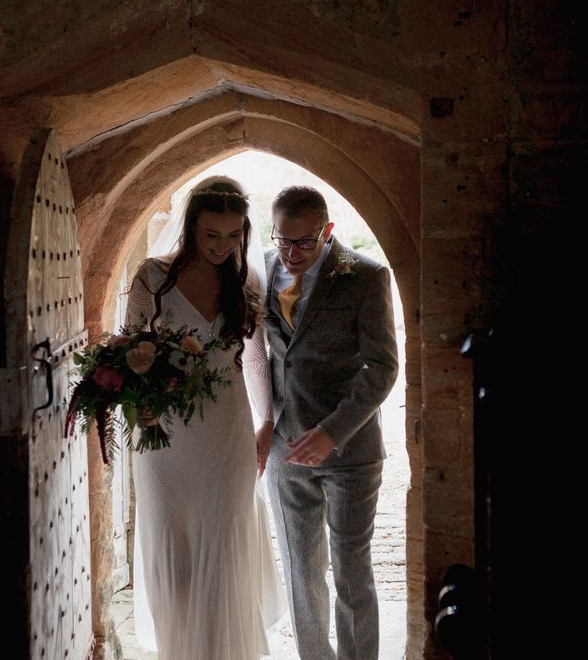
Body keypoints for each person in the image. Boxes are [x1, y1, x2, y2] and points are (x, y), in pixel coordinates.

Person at [124, 177, 285, 659]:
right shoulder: (151, 278)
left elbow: (255, 359)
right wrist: (146, 409)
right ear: (191, 227)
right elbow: (129, 351)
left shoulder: (244, 281)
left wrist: (266, 422)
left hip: (227, 431)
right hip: (165, 434)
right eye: (211, 235)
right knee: (176, 552)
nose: (222, 246)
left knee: (224, 543)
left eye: (233, 236)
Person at [259, 186, 398, 660]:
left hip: (351, 451)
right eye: (282, 241)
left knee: (351, 571)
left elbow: (383, 368)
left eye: (303, 243)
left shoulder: (366, 276)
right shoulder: (259, 269)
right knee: (301, 570)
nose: (290, 253)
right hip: (283, 446)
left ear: (327, 231)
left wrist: (334, 431)